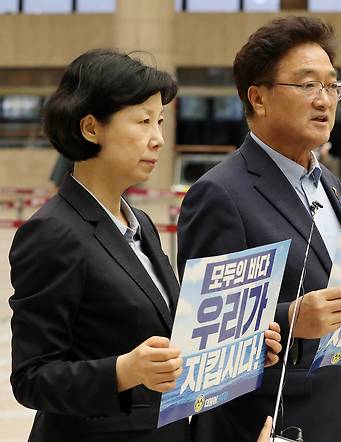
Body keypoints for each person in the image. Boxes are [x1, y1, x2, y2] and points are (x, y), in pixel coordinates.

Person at [8, 49, 282, 442]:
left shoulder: (141, 224)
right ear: (90, 128)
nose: (157, 139)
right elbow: (32, 378)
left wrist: (241, 345)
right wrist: (123, 371)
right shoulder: (53, 232)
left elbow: (168, 339)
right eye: (142, 122)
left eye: (160, 122)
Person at [177, 16, 341, 442]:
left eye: (332, 86)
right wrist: (291, 319)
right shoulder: (219, 193)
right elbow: (203, 337)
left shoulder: (329, 184)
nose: (325, 100)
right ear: (258, 98)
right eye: (307, 85)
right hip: (269, 423)